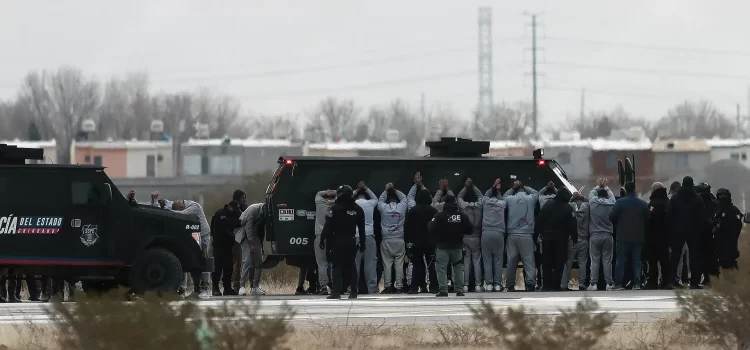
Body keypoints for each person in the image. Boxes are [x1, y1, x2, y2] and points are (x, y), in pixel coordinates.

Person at [321, 185, 366, 299]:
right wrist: (363, 243)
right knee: (352, 266)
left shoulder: (334, 209)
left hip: (338, 240)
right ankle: (354, 292)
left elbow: (328, 226)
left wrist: (322, 239)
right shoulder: (358, 209)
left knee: (337, 266)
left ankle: (336, 292)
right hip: (351, 240)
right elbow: (361, 228)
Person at [665, 176, 706, 290]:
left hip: (678, 231)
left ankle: (671, 281)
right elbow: (702, 216)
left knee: (675, 256)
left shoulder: (675, 198)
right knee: (694, 256)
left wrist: (672, 229)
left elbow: (669, 216)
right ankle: (694, 282)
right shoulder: (697, 198)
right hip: (694, 231)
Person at [429, 194, 472, 297]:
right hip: (457, 247)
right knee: (458, 268)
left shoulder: (439, 216)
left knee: (441, 268)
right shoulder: (461, 216)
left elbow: (431, 229)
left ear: (444, 203)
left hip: (442, 247)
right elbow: (470, 229)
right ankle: (459, 290)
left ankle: (443, 290)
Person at [610, 182, 650, 290]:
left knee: (620, 260)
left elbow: (612, 217)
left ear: (625, 190)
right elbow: (648, 219)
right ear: (634, 189)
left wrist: (618, 225)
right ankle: (637, 283)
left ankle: (618, 284)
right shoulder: (642, 203)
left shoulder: (619, 203)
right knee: (637, 260)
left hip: (622, 236)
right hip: (638, 236)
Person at [536, 187, 577, 291]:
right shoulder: (568, 208)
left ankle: (546, 285)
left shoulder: (547, 205)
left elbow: (540, 220)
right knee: (559, 262)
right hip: (561, 238)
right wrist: (575, 238)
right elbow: (573, 225)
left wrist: (539, 233)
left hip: (547, 237)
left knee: (546, 262)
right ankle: (556, 285)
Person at [405, 176, 439, 294]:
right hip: (430, 242)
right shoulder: (433, 211)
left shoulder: (413, 210)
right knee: (432, 265)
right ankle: (434, 287)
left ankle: (415, 287)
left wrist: (407, 241)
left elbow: (407, 227)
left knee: (417, 265)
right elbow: (437, 227)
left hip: (416, 241)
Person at [504, 180, 540, 292]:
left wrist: (513, 188)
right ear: (524, 190)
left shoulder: (510, 199)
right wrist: (524, 186)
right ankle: (530, 284)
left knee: (511, 262)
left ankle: (510, 285)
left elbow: (504, 196)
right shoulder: (531, 199)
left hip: (512, 234)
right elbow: (537, 193)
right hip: (527, 235)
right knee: (529, 261)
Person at [172, 199, 212, 299]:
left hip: (203, 236)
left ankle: (205, 289)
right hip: (193, 236)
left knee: (204, 261)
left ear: (182, 207)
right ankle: (194, 289)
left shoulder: (194, 206)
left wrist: (171, 212)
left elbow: (184, 214)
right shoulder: (181, 204)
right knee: (193, 261)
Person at [377, 183, 408, 293]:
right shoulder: (402, 207)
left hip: (386, 239)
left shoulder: (384, 207)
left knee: (387, 264)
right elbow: (404, 198)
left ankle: (388, 286)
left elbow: (380, 200)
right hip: (399, 239)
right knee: (399, 264)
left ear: (388, 200)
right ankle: (399, 286)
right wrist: (394, 189)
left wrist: (386, 190)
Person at [587, 179, 617, 291]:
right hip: (608, 235)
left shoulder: (593, 202)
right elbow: (612, 196)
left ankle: (593, 284)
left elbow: (591, 193)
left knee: (594, 260)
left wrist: (598, 185)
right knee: (607, 261)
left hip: (594, 235)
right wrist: (606, 187)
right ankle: (609, 283)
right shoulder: (612, 203)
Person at [479, 179, 507, 292]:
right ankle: (497, 284)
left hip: (486, 233)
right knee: (498, 260)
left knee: (487, 260)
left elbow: (485, 195)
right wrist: (499, 191)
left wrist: (493, 186)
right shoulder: (502, 203)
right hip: (499, 233)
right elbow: (503, 198)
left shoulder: (485, 202)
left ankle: (489, 284)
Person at [457, 178, 484, 293]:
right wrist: (473, 186)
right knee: (476, 261)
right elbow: (481, 197)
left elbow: (459, 197)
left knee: (467, 261)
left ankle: (465, 285)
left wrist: (466, 187)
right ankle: (478, 285)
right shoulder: (479, 206)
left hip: (466, 237)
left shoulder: (463, 207)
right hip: (477, 237)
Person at [210, 200, 242, 296]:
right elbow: (225, 223)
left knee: (228, 267)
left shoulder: (235, 213)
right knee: (217, 267)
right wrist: (239, 223)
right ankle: (215, 288)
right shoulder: (220, 213)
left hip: (228, 245)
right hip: (218, 245)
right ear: (229, 206)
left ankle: (227, 288)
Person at [236, 202, 267, 296]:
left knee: (259, 262)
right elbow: (248, 227)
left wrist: (260, 243)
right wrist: (251, 243)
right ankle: (242, 286)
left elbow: (262, 229)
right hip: (246, 235)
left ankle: (255, 287)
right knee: (247, 261)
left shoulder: (267, 212)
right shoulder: (253, 209)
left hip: (256, 235)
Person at [354, 181, 379, 294]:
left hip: (356, 236)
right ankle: (372, 288)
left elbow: (345, 199)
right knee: (370, 264)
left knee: (355, 264)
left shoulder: (353, 203)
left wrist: (356, 190)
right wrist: (366, 188)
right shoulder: (370, 204)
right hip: (369, 235)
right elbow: (376, 199)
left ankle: (353, 288)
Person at [644, 182, 670, 289]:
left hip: (653, 237)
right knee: (665, 261)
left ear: (654, 190)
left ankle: (652, 282)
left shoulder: (653, 203)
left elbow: (650, 220)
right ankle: (666, 281)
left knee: (653, 261)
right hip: (666, 236)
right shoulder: (667, 202)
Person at [564, 191, 590, 291]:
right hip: (584, 239)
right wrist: (582, 197)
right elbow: (589, 201)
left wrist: (572, 197)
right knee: (582, 262)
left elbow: (566, 202)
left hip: (572, 240)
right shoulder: (587, 207)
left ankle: (564, 283)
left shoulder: (570, 206)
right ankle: (582, 283)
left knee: (569, 262)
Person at [713, 188, 743, 271]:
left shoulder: (731, 210)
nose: (723, 198)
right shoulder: (719, 210)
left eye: (724, 196)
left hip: (727, 245)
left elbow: (738, 224)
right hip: (724, 245)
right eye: (721, 196)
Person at [696, 183, 719, 286]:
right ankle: (711, 277)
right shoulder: (713, 202)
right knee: (710, 256)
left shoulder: (699, 201)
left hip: (703, 233)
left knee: (704, 256)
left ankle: (708, 277)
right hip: (710, 233)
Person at [314, 189, 336, 294]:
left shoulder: (319, 203)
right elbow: (340, 194)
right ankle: (333, 285)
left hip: (320, 236)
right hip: (333, 237)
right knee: (332, 263)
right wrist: (333, 192)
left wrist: (326, 192)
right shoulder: (336, 204)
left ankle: (323, 286)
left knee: (322, 263)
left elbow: (318, 193)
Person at [668, 182, 690, 287]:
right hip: (687, 231)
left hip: (676, 232)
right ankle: (680, 278)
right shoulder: (691, 198)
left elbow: (669, 216)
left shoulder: (674, 200)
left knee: (677, 256)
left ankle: (675, 278)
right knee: (682, 256)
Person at [231, 190, 247, 292]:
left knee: (242, 263)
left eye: (245, 197)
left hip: (244, 240)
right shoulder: (233, 210)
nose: (244, 200)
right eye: (242, 198)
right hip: (235, 240)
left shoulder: (245, 209)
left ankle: (239, 285)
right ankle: (236, 286)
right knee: (236, 263)